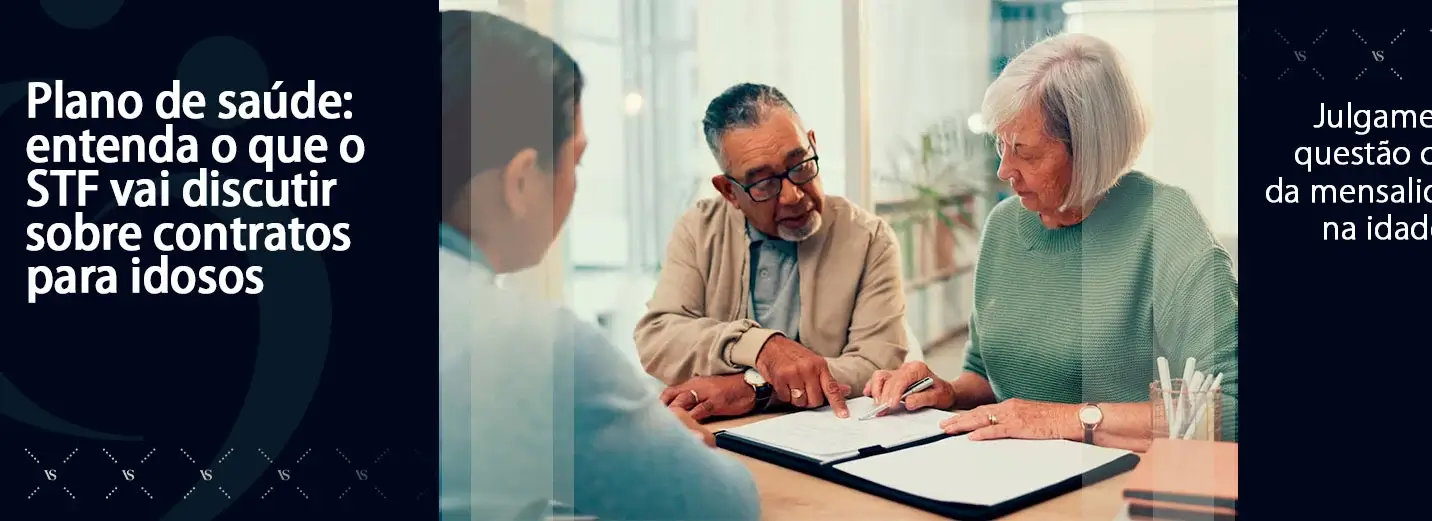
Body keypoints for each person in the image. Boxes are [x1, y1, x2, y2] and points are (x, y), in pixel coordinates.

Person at [438, 11, 760, 521]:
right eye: (577, 161)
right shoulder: (533, 345)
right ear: (520, 182)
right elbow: (724, 507)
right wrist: (661, 440)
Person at [865, 33, 1239, 448]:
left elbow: (1231, 409)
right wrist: (948, 391)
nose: (1004, 171)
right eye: (1001, 145)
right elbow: (988, 373)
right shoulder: (1005, 226)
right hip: (1004, 479)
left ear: (1092, 149)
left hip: (1120, 491)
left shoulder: (1166, 224)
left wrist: (1062, 419)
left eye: (1026, 152)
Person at [636, 83, 908, 421]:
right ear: (729, 192)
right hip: (718, 432)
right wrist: (762, 347)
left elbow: (876, 366)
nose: (793, 195)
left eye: (800, 165)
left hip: (827, 432)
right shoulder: (699, 229)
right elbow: (659, 335)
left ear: (813, 144)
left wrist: (754, 388)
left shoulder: (870, 239)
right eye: (763, 183)